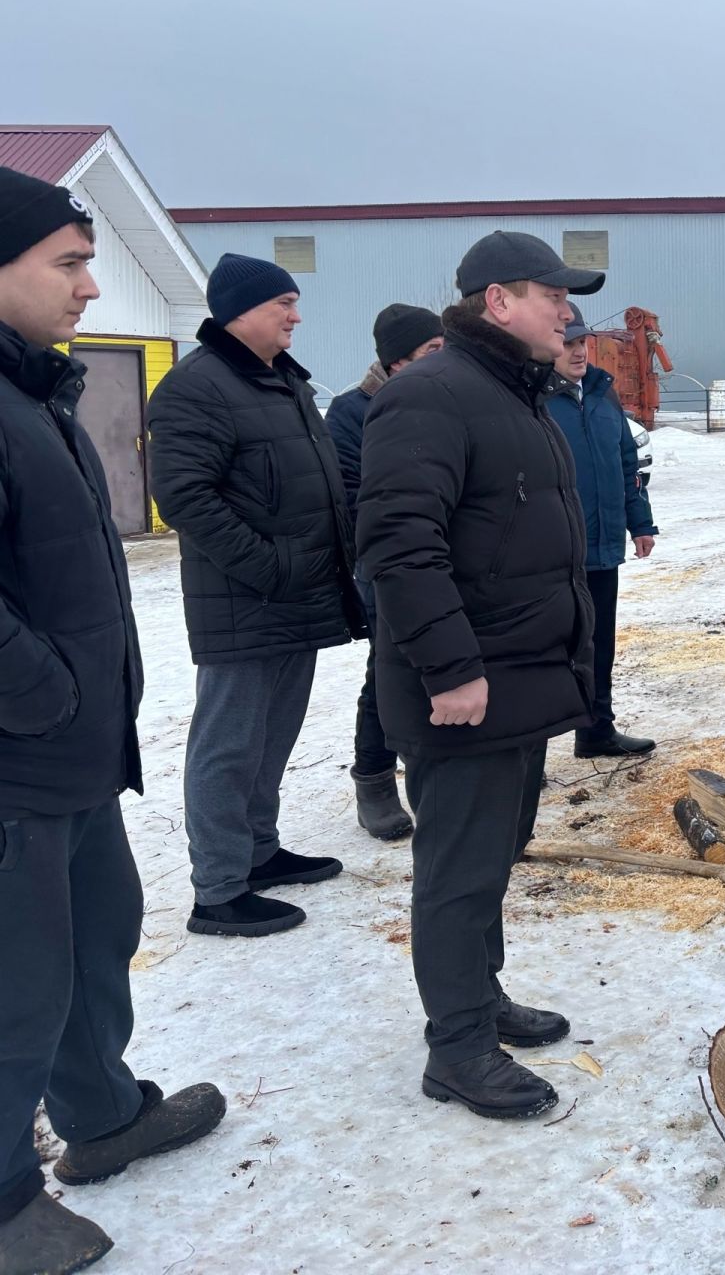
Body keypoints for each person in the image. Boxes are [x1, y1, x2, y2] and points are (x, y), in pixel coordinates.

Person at [0, 167, 225, 1274]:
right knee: (18, 983)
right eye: (68, 264)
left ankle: (100, 1114)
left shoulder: (34, 394)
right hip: (18, 761)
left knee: (99, 936)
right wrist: (47, 692)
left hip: (76, 751)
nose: (91, 287)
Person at [356, 231, 601, 1120]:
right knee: (457, 872)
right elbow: (399, 545)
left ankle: (478, 996)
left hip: (520, 678)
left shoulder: (511, 393)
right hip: (469, 687)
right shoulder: (431, 395)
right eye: (552, 296)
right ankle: (457, 1048)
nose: (566, 313)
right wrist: (451, 668)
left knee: (493, 855)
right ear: (499, 301)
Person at [148, 254, 363, 939]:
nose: (296, 316)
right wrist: (269, 568)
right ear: (240, 311)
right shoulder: (197, 387)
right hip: (248, 599)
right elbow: (185, 497)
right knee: (229, 745)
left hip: (297, 594)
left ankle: (258, 853)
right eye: (284, 304)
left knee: (272, 736)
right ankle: (218, 890)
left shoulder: (280, 381)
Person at [325, 303, 445, 840]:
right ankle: (374, 779)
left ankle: (443, 769)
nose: (443, 359)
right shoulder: (352, 412)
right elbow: (350, 496)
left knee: (448, 664)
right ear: (397, 361)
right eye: (432, 350)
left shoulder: (448, 400)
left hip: (446, 559)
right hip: (386, 565)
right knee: (390, 672)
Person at [552, 304, 658, 758]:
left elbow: (626, 464)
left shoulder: (601, 393)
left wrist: (640, 522)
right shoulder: (531, 399)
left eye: (582, 342)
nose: (578, 352)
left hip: (601, 546)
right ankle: (527, 752)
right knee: (546, 647)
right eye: (567, 343)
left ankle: (597, 730)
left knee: (599, 643)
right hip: (552, 551)